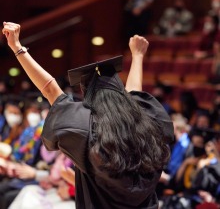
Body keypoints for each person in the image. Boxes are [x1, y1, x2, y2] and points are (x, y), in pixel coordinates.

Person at [2, 22, 174, 209]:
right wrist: (138, 56)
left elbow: (50, 89)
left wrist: (17, 48)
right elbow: (135, 97)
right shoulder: (148, 125)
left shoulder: (87, 130)